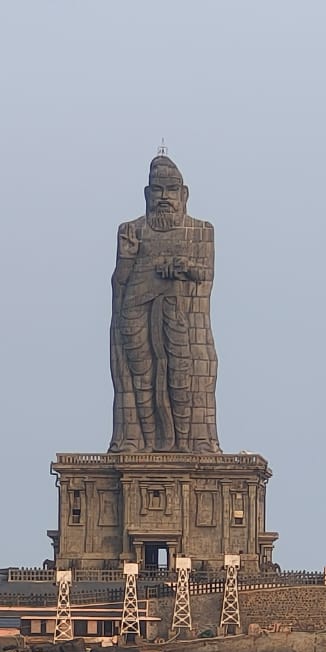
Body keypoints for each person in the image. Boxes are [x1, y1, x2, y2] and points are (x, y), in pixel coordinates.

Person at [108, 153, 222, 454]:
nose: (164, 197)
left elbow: (205, 278)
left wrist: (184, 267)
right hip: (136, 316)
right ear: (147, 194)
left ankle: (188, 443)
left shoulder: (200, 231)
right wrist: (127, 259)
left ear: (183, 195)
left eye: (171, 190)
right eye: (157, 190)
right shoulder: (131, 231)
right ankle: (138, 443)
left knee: (183, 377)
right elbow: (119, 283)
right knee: (139, 380)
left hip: (184, 323)